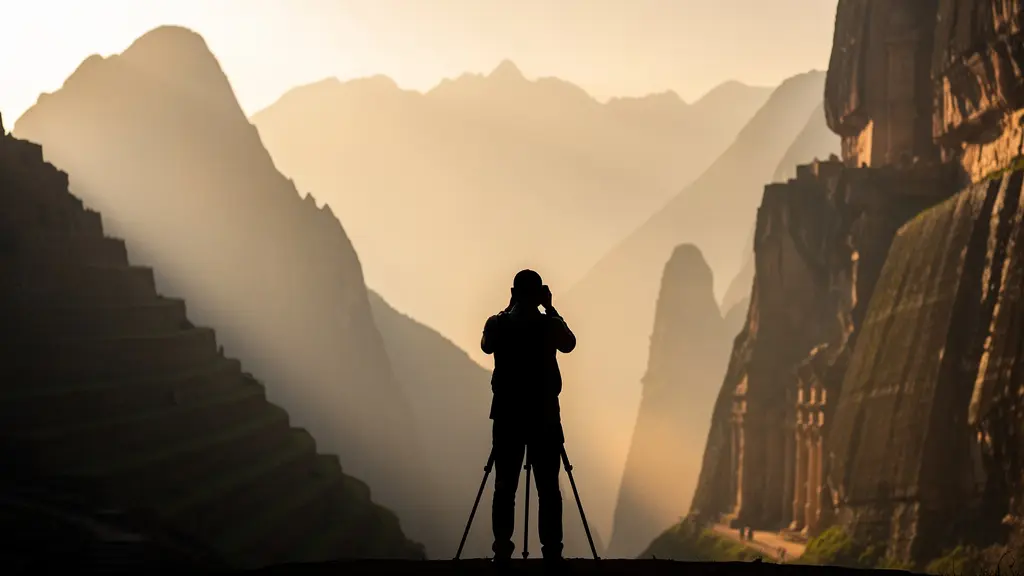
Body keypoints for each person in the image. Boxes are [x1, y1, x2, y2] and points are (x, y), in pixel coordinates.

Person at [481, 269, 577, 562]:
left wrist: (508, 307)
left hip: (507, 417)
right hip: (544, 416)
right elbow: (569, 343)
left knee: (504, 486)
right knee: (548, 488)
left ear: (513, 292)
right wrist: (550, 307)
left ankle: (502, 550)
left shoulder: (497, 324)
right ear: (539, 293)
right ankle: (552, 552)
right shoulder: (549, 326)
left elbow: (486, 346)